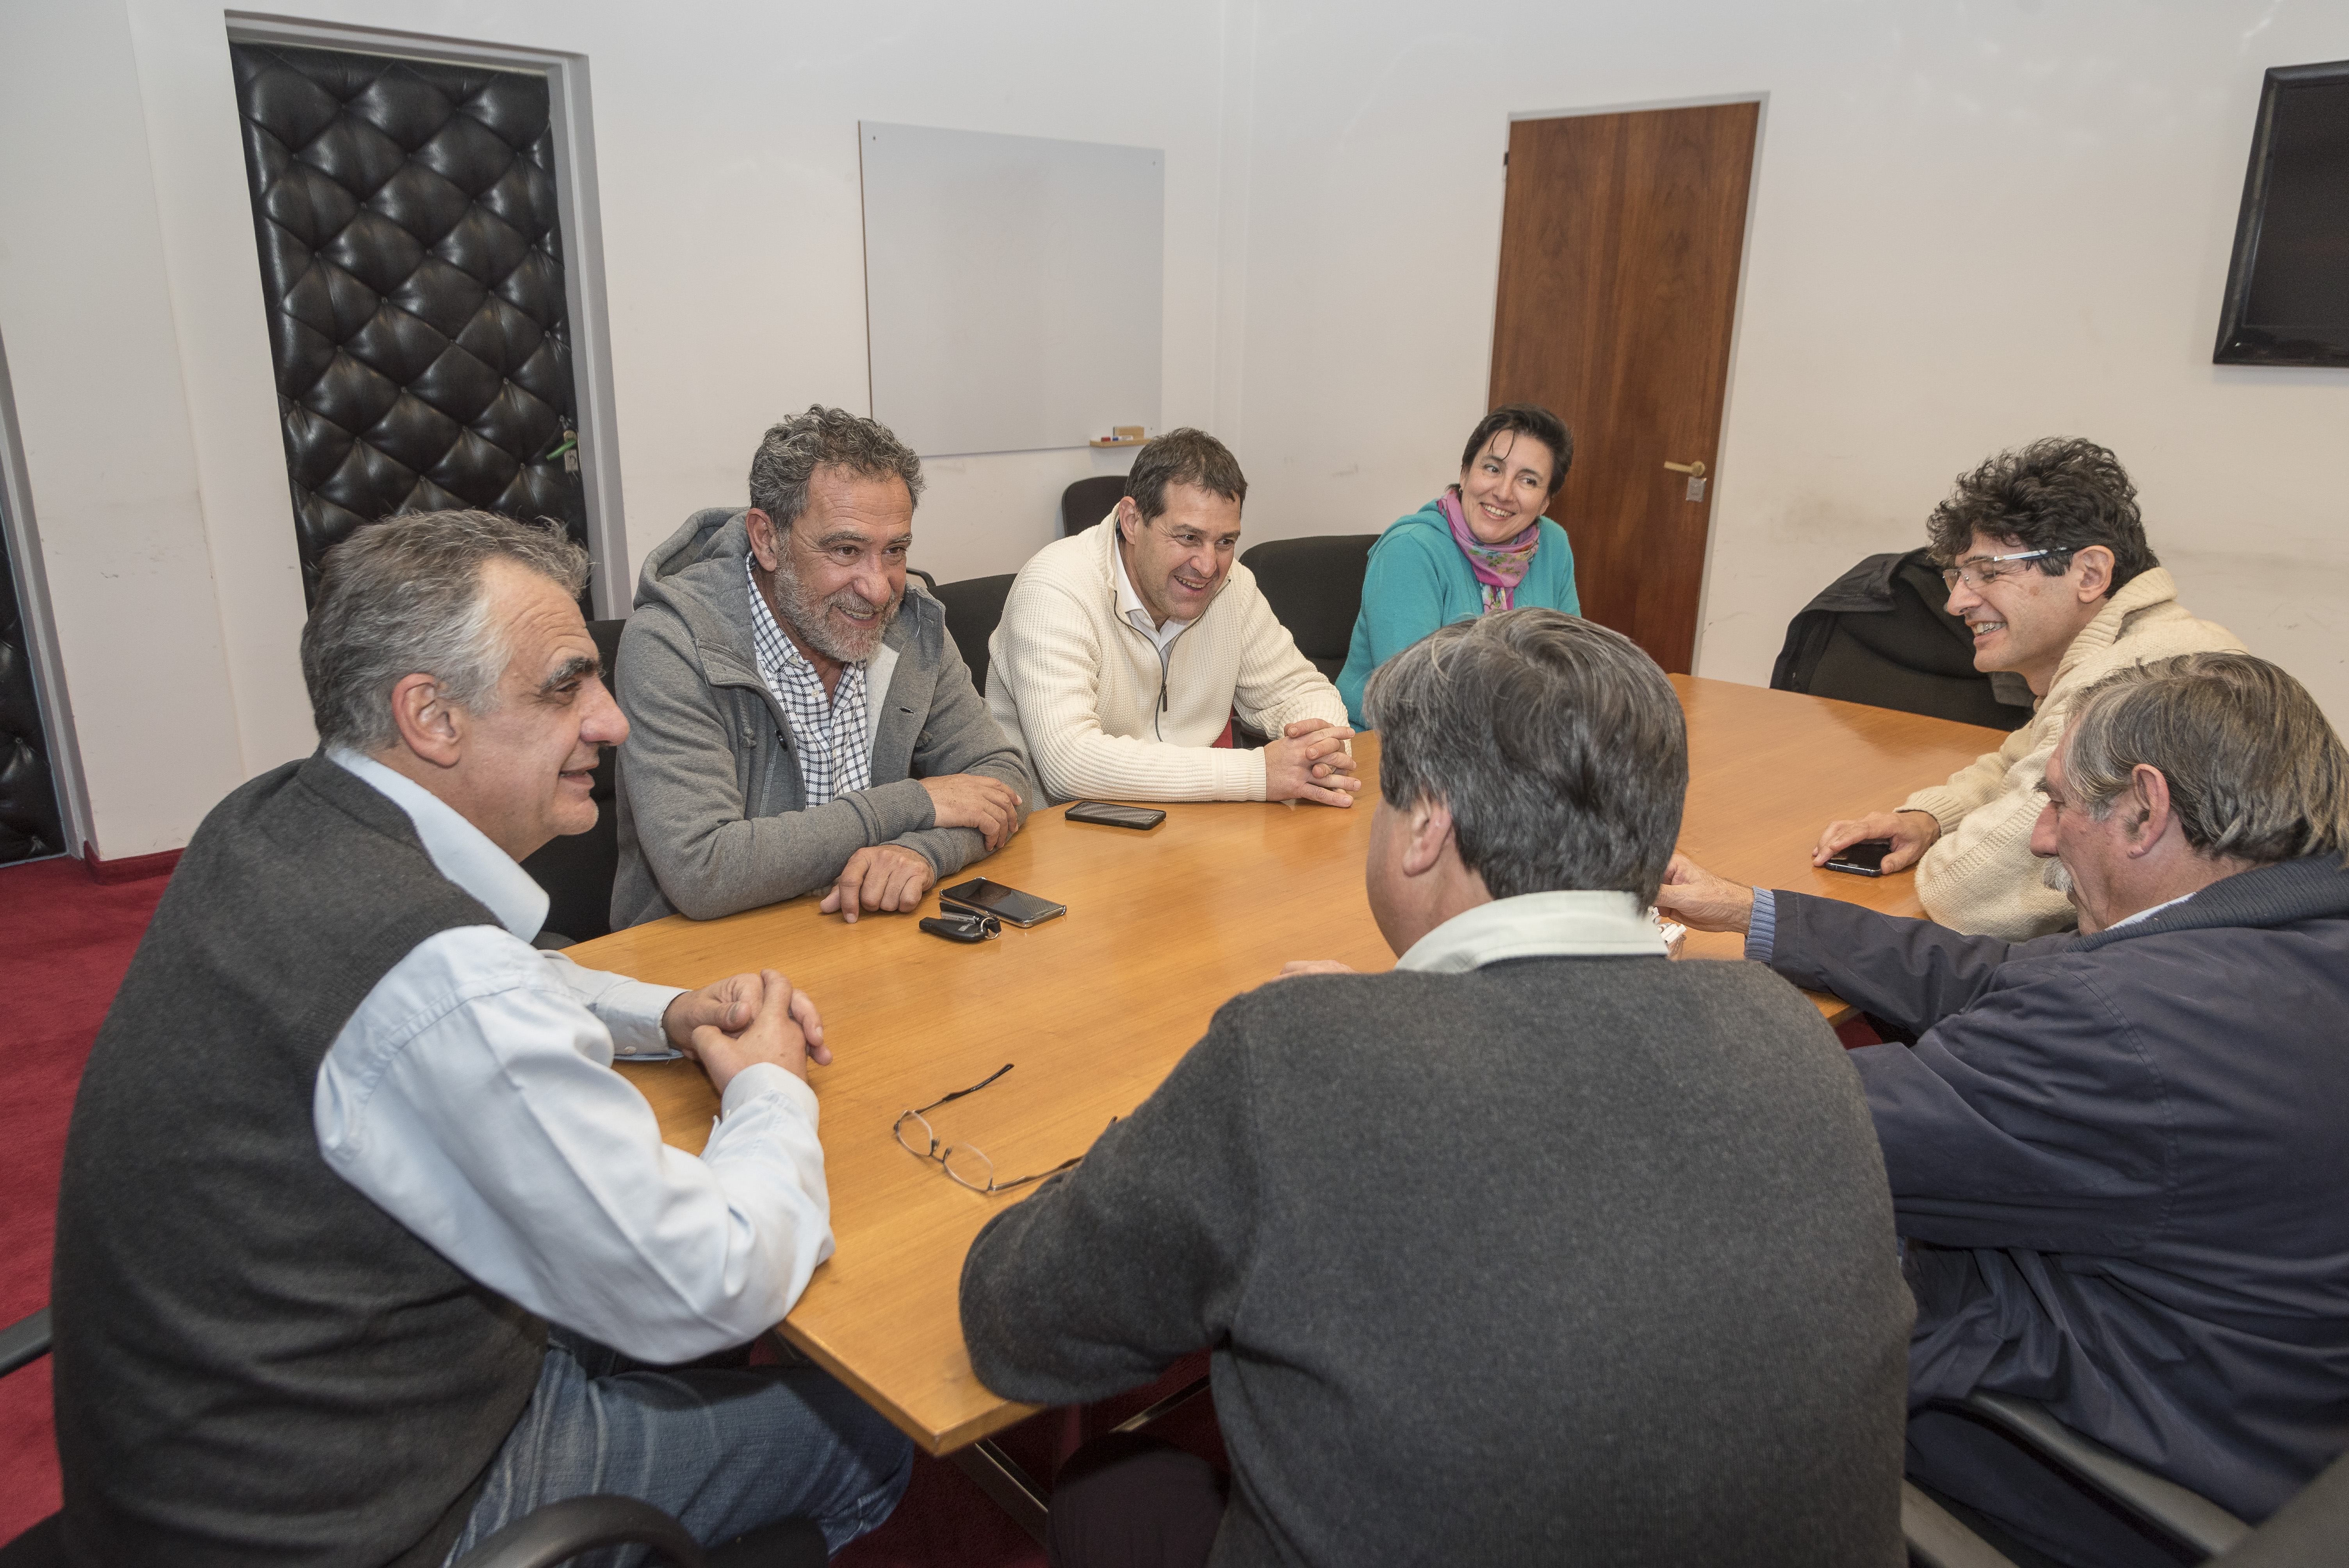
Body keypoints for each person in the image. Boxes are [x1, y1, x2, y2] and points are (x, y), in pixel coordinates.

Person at [960, 609, 1914, 1568]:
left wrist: (1288, 1064)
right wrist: (1385, 1026)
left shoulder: (1292, 1058)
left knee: (1108, 1492)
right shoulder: (1785, 1027)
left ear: (1426, 828)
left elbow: (1018, 1323)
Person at [50, 512, 911, 1568]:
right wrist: (771, 1092)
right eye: (563, 687)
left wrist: (666, 1014)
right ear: (431, 717)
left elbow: (488, 981)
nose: (612, 721)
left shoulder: (278, 817)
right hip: (362, 1515)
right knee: (873, 1431)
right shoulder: (433, 978)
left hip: (205, 1449)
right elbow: (711, 1277)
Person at [1661, 651, 2349, 1568]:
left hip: (2105, 1458)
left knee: (1671, 1282)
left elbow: (1784, 1135)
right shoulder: (2278, 928)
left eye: (2059, 803)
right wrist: (1748, 910)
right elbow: (2004, 975)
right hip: (2272, 1401)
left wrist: (1569, 1013)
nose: (2039, 838)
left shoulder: (2123, 1030)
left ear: (2145, 810)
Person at [614, 406, 1030, 928]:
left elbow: (1002, 778)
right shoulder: (670, 645)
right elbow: (704, 869)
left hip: (860, 942)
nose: (878, 588)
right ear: (767, 540)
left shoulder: (911, 626)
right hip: (708, 968)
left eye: (895, 550)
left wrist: (925, 852)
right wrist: (916, 802)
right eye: (847, 550)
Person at [1812, 437, 2242, 939]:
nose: (1955, 603)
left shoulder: (2129, 690)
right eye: (1957, 575)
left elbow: (1966, 894)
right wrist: (1930, 818)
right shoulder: (2153, 642)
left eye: (1988, 572)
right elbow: (2021, 757)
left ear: (2090, 573)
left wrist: (1945, 852)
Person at [986, 428, 1359, 807]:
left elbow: (1303, 690)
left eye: (1225, 541)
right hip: (1057, 840)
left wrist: (1320, 754)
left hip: (1183, 829)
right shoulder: (1055, 587)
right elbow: (1069, 763)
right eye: (1187, 538)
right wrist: (1259, 774)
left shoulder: (1233, 587)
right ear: (1131, 521)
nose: (1208, 565)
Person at [1334, 402, 1580, 725]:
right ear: (1465, 473)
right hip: (1386, 745)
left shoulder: (1553, 545)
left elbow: (1571, 669)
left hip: (1515, 740)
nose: (1503, 493)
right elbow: (1410, 703)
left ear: (1546, 502)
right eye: (1493, 469)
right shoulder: (1411, 551)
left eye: (1528, 481)